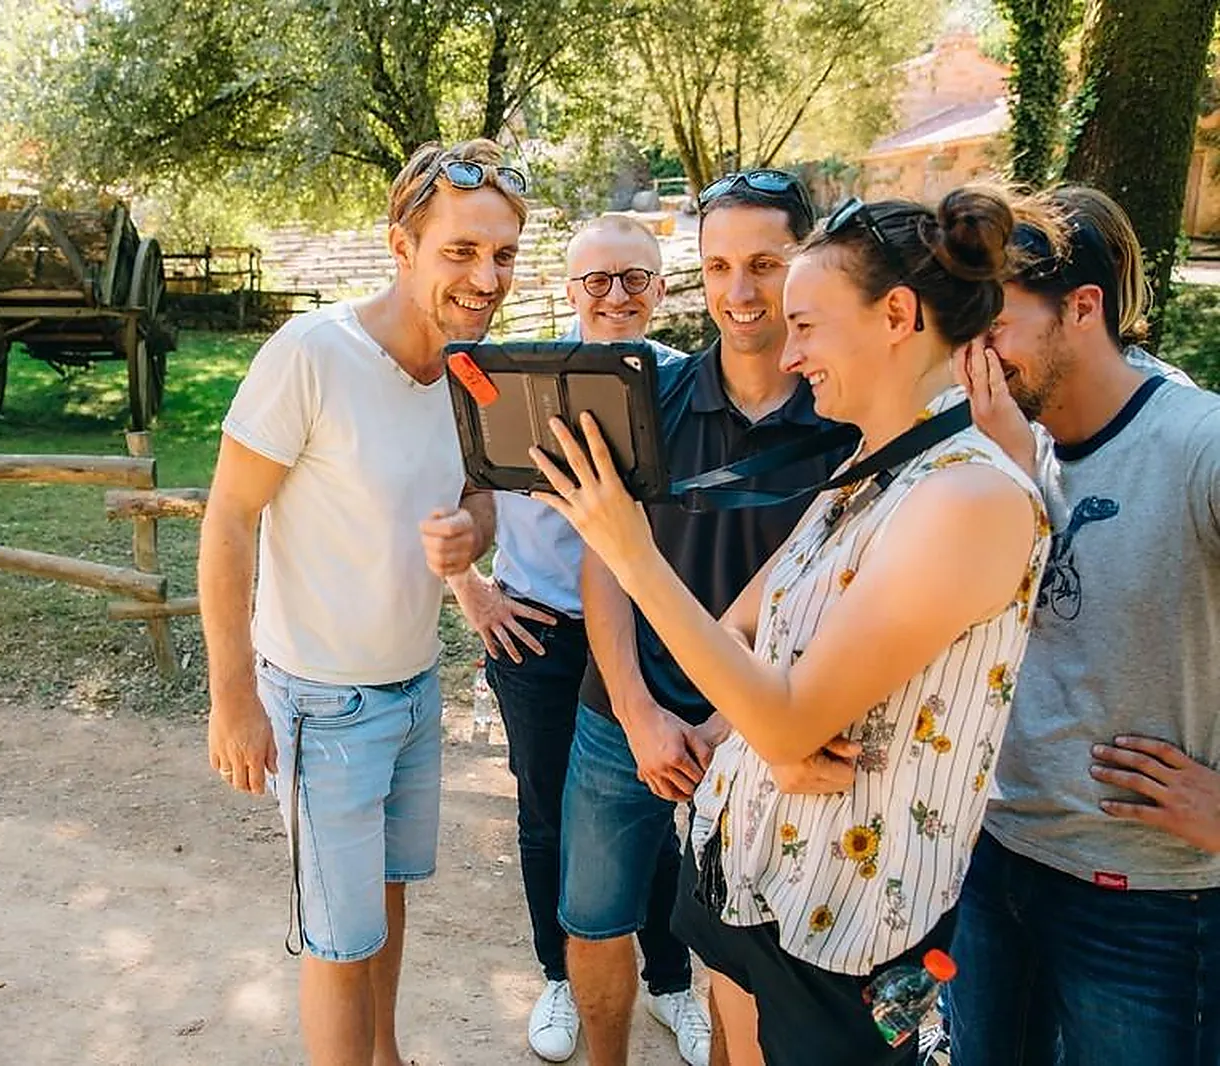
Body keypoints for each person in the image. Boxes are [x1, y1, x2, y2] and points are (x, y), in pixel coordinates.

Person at [531, 186, 1052, 1066]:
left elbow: (785, 713)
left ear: (896, 315)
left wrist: (631, 551)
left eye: (807, 322)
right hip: (761, 889)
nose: (790, 347)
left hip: (848, 928)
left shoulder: (970, 495)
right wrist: (750, 727)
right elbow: (738, 631)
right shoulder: (873, 466)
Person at [197, 138, 524, 1066]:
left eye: (501, 253)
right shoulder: (313, 353)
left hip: (413, 687)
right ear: (403, 245)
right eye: (460, 251)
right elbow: (226, 521)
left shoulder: (471, 370)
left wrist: (474, 527)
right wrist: (232, 698)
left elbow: (480, 494)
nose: (485, 275)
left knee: (384, 901)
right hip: (321, 701)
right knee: (337, 946)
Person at [555, 171, 855, 1066]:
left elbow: (843, 593)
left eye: (765, 264)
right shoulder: (653, 396)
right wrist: (643, 713)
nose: (739, 292)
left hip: (767, 729)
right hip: (625, 718)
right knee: (597, 922)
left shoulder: (846, 414)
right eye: (718, 265)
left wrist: (732, 725)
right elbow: (606, 562)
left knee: (742, 954)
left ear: (808, 264)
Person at [946, 185, 1220, 1065]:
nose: (974, 361)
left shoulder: (1197, 445)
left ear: (1084, 309)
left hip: (1151, 902)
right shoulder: (1002, 445)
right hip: (995, 865)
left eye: (995, 330)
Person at [447, 213, 704, 1063]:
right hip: (540, 631)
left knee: (659, 808)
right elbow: (457, 488)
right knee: (546, 812)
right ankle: (563, 976)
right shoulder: (511, 376)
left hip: (644, 633)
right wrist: (471, 593)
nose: (615, 296)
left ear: (661, 289)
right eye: (597, 279)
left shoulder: (685, 388)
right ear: (570, 290)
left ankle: (670, 983)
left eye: (635, 279)